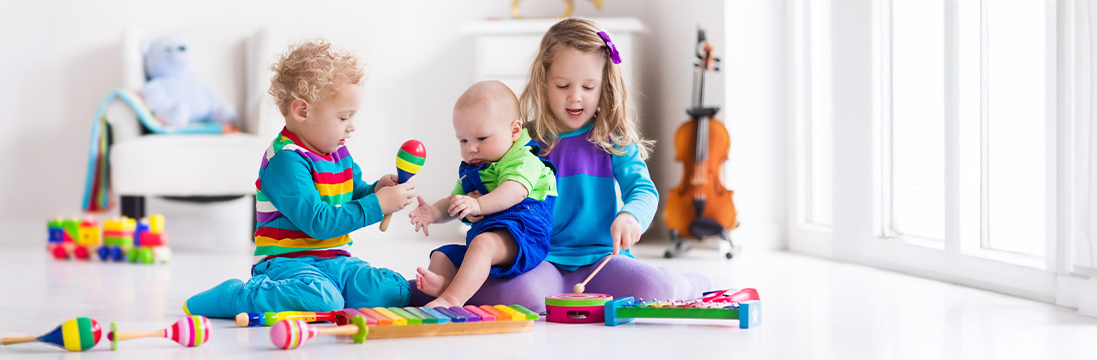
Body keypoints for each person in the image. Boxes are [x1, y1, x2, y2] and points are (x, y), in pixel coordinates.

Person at [408, 18, 711, 312]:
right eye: (563, 85)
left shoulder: (612, 140)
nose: (575, 97)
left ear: (604, 86)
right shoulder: (521, 141)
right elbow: (489, 189)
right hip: (541, 260)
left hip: (602, 259)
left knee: (654, 289)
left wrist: (631, 217)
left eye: (589, 87)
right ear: (543, 82)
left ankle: (690, 284)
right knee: (521, 297)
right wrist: (472, 204)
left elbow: (643, 189)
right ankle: (432, 288)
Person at [184, 39, 417, 318]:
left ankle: (351, 292)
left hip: (336, 260)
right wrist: (378, 205)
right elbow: (318, 222)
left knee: (393, 292)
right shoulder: (286, 161)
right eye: (344, 117)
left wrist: (378, 190)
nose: (352, 127)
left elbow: (355, 194)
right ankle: (237, 296)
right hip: (287, 264)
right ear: (302, 111)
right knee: (323, 300)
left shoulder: (338, 152)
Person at [408, 80, 558, 308]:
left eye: (481, 138)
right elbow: (454, 202)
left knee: (482, 245)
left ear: (514, 131)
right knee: (442, 254)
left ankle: (451, 299)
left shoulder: (523, 159)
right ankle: (444, 285)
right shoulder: (474, 169)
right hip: (488, 236)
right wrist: (433, 213)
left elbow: (514, 192)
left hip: (524, 235)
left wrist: (477, 206)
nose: (471, 148)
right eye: (463, 140)